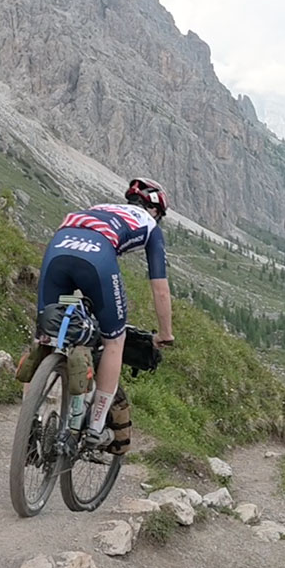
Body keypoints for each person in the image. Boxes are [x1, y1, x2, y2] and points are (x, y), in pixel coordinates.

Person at [36, 176, 175, 449]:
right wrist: (165, 333)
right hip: (97, 257)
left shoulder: (101, 208)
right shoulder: (150, 226)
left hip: (58, 249)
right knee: (114, 340)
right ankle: (96, 428)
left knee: (44, 332)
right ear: (155, 210)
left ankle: (31, 426)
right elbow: (160, 290)